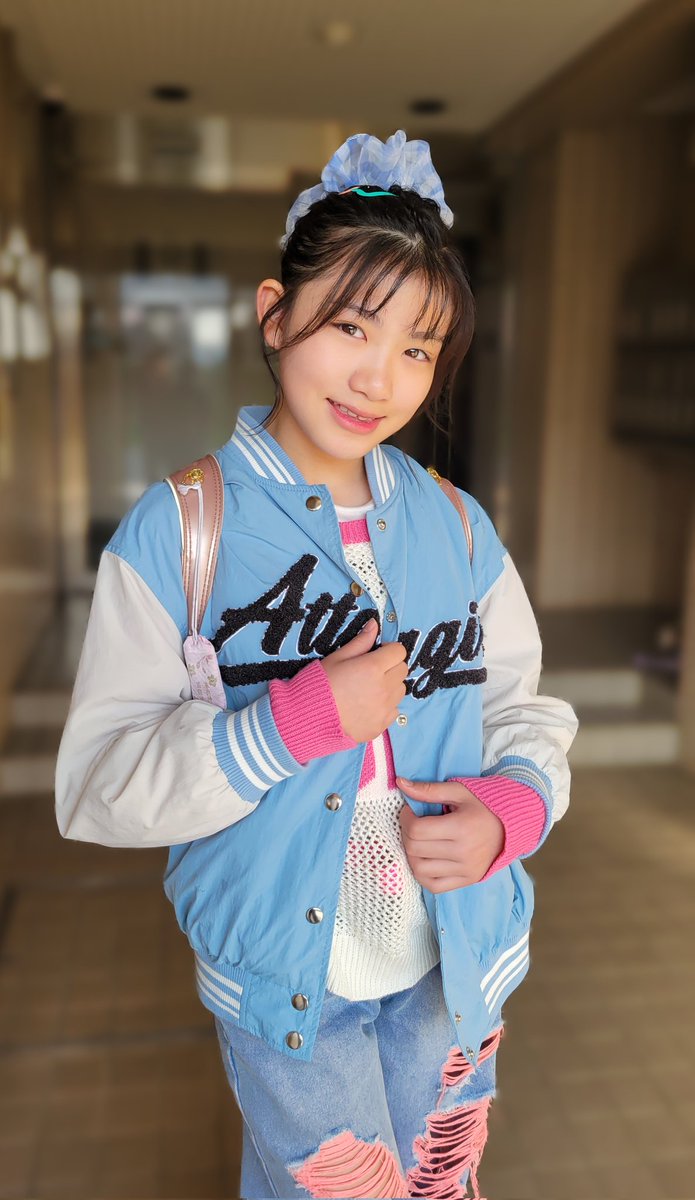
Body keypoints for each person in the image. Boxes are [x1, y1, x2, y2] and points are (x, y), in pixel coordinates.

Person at [55, 129, 578, 1200]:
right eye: (350, 325)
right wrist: (287, 727)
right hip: (289, 987)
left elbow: (524, 711)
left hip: (451, 962)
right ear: (273, 314)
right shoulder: (181, 530)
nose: (379, 377)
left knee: (437, 1187)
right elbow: (96, 785)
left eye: (418, 349)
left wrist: (511, 811)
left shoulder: (455, 525)